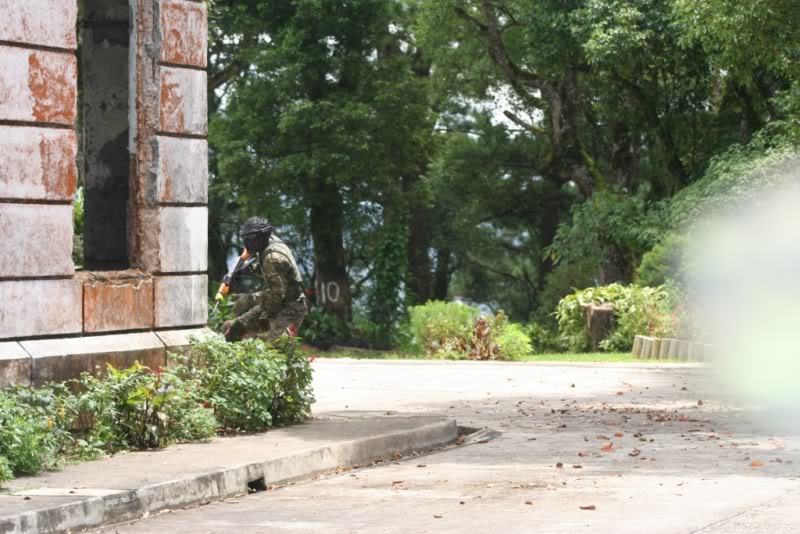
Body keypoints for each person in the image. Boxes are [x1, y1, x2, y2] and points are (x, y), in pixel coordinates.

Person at [222, 217, 308, 342]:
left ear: (263, 236)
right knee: (234, 329)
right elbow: (274, 271)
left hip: (290, 308)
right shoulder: (270, 242)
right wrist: (249, 269)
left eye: (251, 238)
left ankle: (267, 341)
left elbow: (277, 295)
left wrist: (252, 300)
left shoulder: (272, 258)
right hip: (277, 301)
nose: (248, 243)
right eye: (246, 238)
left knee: (276, 348)